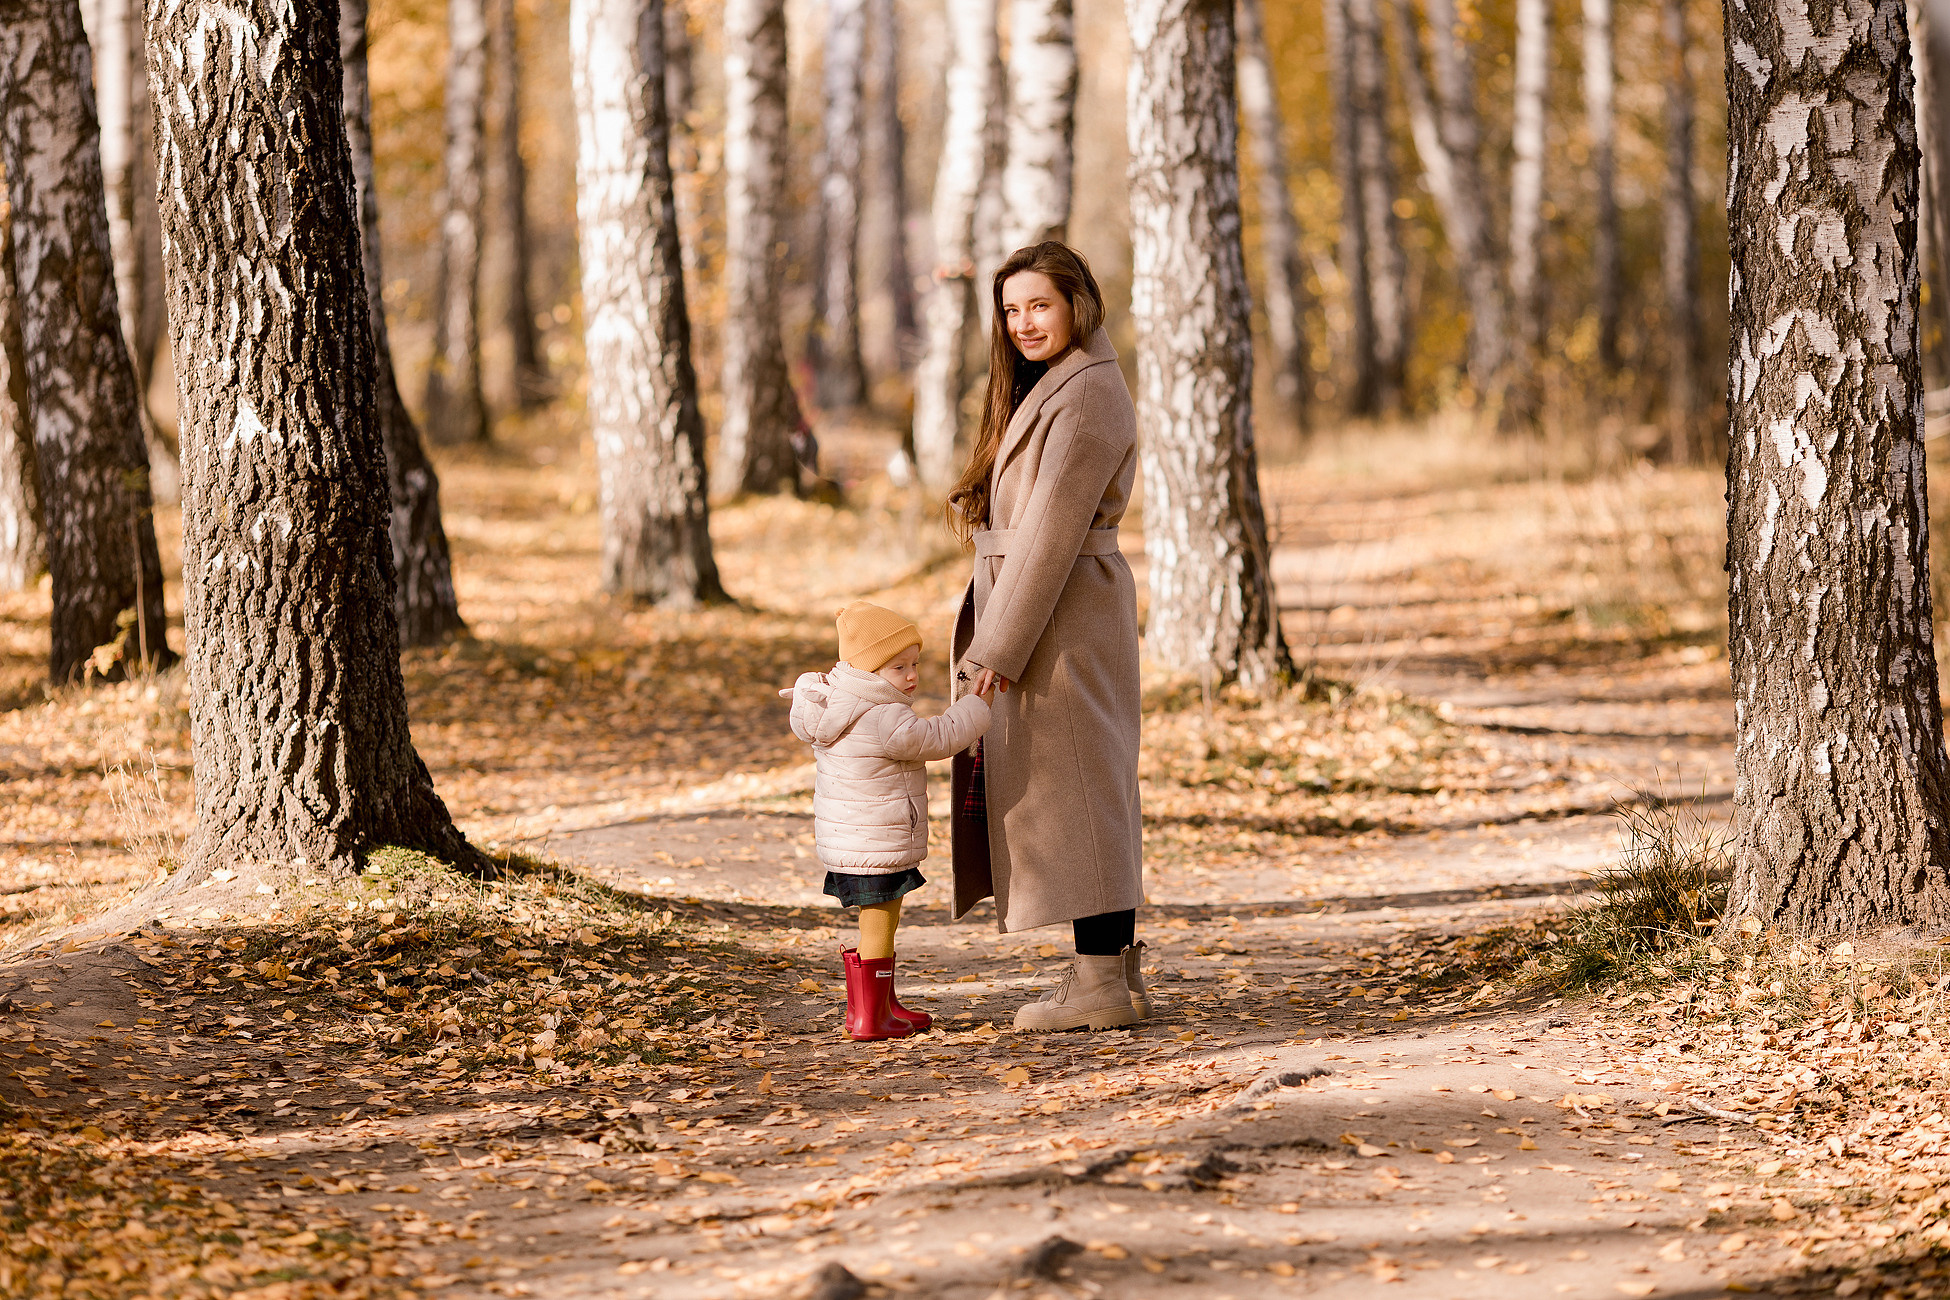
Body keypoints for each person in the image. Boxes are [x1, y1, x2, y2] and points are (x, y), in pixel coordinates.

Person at [946, 241, 1149, 1032]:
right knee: (1077, 790)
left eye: (1040, 305)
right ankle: (1108, 974)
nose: (1024, 323)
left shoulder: (1090, 392)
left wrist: (996, 646)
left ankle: (1099, 986)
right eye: (1011, 309)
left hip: (1062, 614)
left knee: (1085, 792)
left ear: (1077, 305)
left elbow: (1051, 533)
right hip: (1051, 608)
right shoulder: (1055, 383)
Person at [784, 601, 993, 1040]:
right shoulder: (883, 715)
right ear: (869, 671)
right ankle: (869, 1018)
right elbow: (938, 738)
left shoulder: (838, 705)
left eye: (915, 663)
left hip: (852, 842)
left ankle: (878, 1005)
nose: (912, 675)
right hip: (878, 842)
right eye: (899, 667)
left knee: (879, 921)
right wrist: (976, 705)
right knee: (878, 922)